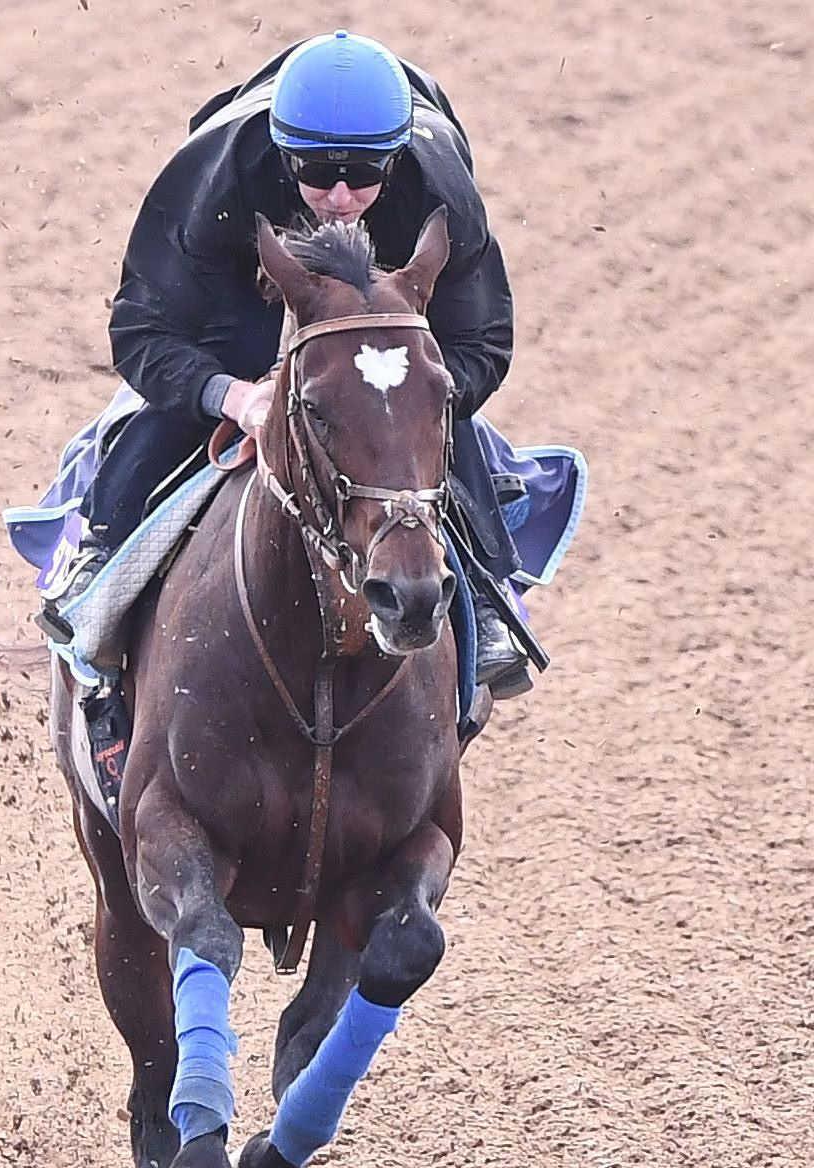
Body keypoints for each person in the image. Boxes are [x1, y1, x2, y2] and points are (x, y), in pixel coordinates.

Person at [39, 30, 534, 698]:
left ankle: (485, 586)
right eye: (314, 171)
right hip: (241, 291)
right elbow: (142, 331)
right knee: (200, 382)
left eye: (361, 176)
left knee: (426, 397)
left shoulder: (439, 189)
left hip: (392, 313)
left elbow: (483, 342)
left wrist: (410, 394)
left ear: (395, 160)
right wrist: (233, 396)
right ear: (281, 153)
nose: (336, 195)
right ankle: (102, 555)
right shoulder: (213, 180)